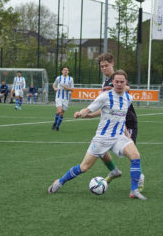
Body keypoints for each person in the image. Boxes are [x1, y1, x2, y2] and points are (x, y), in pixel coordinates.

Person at [48, 70, 147, 200]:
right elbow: (89, 108)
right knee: (84, 167)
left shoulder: (128, 98)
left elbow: (121, 119)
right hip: (102, 138)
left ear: (125, 83)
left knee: (135, 155)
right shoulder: (105, 96)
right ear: (112, 82)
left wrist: (128, 137)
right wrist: (81, 113)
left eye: (122, 82)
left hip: (119, 137)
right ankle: (59, 182)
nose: (119, 84)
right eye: (116, 81)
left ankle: (134, 190)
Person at [97, 53, 144, 191]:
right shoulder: (105, 82)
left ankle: (139, 178)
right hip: (113, 124)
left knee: (132, 153)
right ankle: (114, 171)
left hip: (127, 121)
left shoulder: (116, 78)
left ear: (112, 64)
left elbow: (127, 88)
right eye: (102, 66)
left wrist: (113, 88)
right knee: (99, 149)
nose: (104, 68)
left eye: (106, 65)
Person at [51, 66, 74, 131]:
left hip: (66, 98)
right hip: (58, 97)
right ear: (62, 71)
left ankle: (57, 126)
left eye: (67, 70)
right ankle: (55, 123)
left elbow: (72, 89)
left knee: (62, 113)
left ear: (68, 72)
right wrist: (55, 88)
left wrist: (67, 88)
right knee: (59, 111)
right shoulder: (59, 78)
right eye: (64, 70)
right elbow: (54, 85)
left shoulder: (70, 79)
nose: (65, 71)